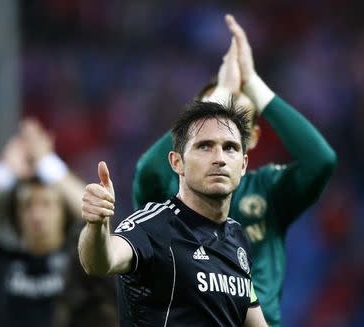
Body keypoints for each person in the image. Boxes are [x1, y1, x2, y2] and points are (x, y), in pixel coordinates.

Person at [132, 15, 338, 326]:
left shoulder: (268, 188)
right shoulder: (167, 196)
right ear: (180, 154)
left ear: (252, 138)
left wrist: (252, 82)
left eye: (234, 120)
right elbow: (147, 173)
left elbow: (320, 161)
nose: (221, 129)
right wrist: (223, 90)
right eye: (206, 127)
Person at [79, 100, 268, 326]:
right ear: (177, 162)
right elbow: (100, 261)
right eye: (204, 146)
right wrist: (96, 225)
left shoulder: (238, 238)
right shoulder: (153, 226)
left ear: (244, 164)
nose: (219, 158)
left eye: (230, 148)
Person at [0, 119, 117, 327]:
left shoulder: (82, 258)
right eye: (27, 205)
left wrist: (49, 164)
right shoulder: (3, 261)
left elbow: (98, 212)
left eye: (46, 204)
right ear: (16, 214)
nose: (36, 215)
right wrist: (3, 172)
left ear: (63, 212)